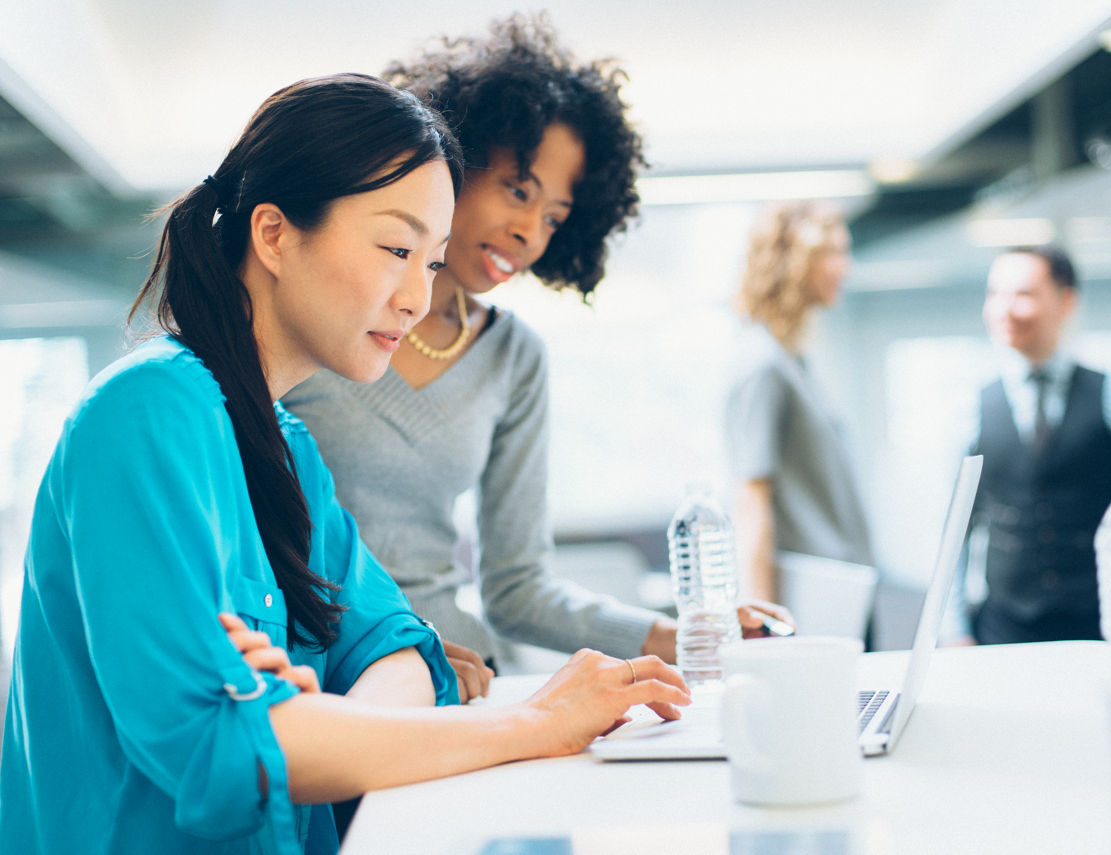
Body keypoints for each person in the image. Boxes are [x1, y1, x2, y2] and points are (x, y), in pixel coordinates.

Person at [0, 73, 689, 855]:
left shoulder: (284, 443)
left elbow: (402, 650)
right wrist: (531, 722)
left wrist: (321, 721)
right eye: (396, 248)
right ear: (274, 234)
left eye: (430, 263)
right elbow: (220, 749)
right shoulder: (145, 412)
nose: (416, 299)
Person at [283, 15, 789, 689]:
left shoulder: (514, 357)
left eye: (554, 216)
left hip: (456, 675)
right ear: (450, 162)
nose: (529, 232)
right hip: (324, 672)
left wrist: (678, 636)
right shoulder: (319, 318)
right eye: (519, 191)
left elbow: (516, 586)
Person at [943, 245, 1111, 646]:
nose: (1003, 309)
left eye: (1022, 294)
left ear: (1066, 302)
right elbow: (953, 532)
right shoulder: (971, 407)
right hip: (1003, 628)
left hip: (1101, 625)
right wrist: (953, 629)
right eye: (994, 295)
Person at [724, 201, 875, 611]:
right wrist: (760, 621)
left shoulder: (794, 362)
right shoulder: (763, 364)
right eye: (833, 254)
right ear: (794, 262)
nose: (845, 268)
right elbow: (751, 499)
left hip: (840, 591)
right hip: (810, 602)